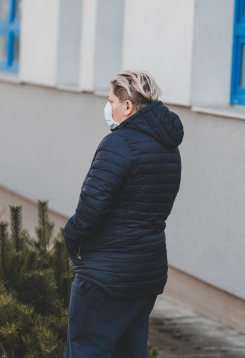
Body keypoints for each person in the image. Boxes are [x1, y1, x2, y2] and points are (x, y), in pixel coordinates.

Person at [63, 71, 183, 358]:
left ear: (127, 106)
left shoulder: (118, 144)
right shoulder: (169, 148)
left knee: (86, 351)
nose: (108, 108)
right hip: (147, 272)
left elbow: (89, 211)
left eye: (110, 101)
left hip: (106, 277)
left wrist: (71, 240)